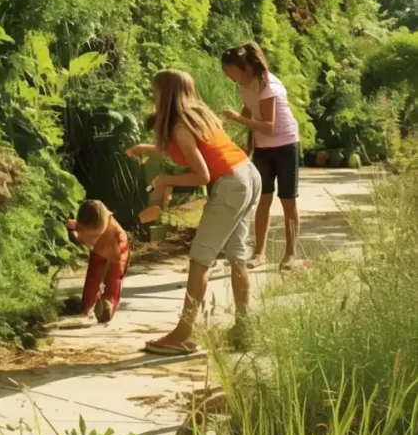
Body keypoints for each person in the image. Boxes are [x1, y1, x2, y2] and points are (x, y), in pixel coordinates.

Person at [127, 69, 261, 355]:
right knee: (237, 256)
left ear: (166, 94)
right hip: (248, 175)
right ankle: (244, 328)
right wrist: (151, 148)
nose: (153, 95)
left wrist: (166, 181)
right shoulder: (198, 114)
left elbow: (200, 174)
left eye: (156, 91)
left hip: (229, 184)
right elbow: (198, 151)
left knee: (200, 259)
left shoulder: (180, 127)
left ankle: (183, 335)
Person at [220, 42, 301, 271]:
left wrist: (237, 118)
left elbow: (268, 126)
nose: (227, 75)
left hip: (285, 146)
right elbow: (248, 109)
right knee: (263, 199)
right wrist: (228, 125)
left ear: (243, 67)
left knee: (288, 200)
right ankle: (259, 253)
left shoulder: (268, 86)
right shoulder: (245, 84)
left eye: (229, 70)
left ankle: (290, 255)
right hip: (263, 149)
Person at [66, 200, 130, 323]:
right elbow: (78, 235)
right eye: (91, 236)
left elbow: (117, 265)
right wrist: (71, 231)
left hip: (117, 249)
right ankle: (87, 306)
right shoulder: (84, 226)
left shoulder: (116, 235)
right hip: (99, 251)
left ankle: (107, 306)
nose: (93, 240)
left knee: (114, 279)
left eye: (97, 236)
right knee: (93, 277)